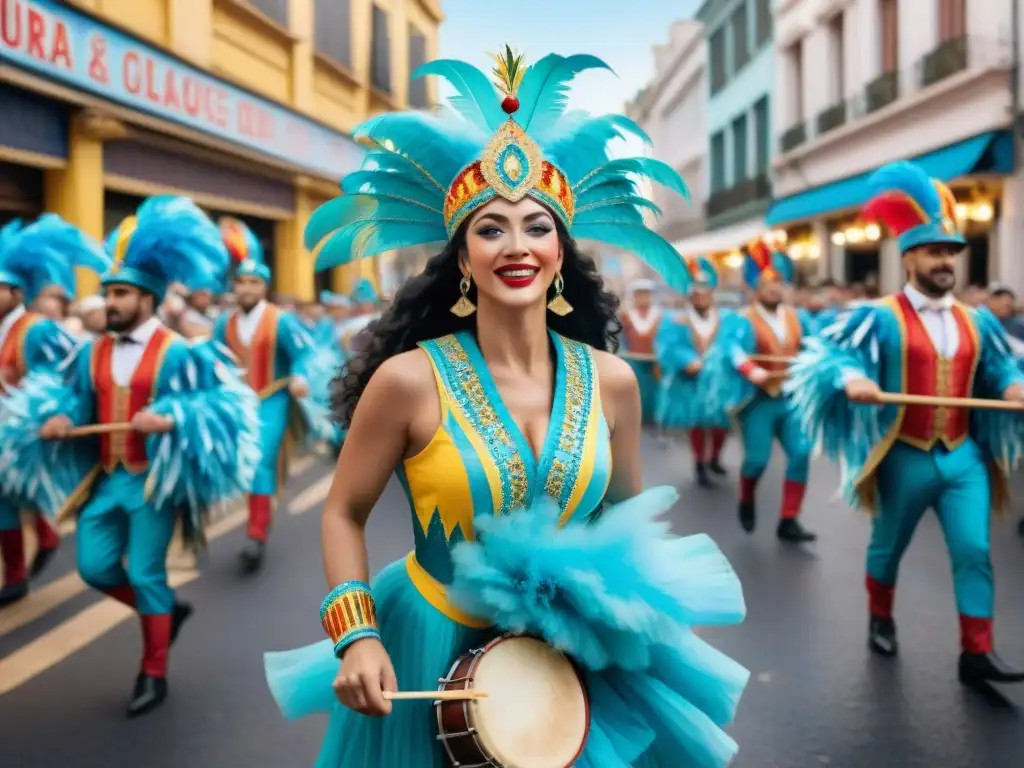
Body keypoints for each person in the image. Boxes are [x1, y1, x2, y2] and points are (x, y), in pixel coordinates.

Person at [263, 47, 748, 767]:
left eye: (537, 226)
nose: (515, 245)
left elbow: (625, 527)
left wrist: (629, 624)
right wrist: (358, 634)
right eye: (491, 228)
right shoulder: (407, 381)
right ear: (462, 260)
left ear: (560, 250)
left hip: (566, 660)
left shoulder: (613, 382)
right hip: (428, 641)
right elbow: (343, 511)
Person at [786, 161, 1024, 689]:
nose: (946, 261)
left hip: (963, 457)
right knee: (888, 548)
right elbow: (833, 353)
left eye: (952, 252)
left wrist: (1012, 386)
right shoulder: (881, 315)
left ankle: (977, 652)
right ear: (909, 255)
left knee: (974, 549)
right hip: (905, 453)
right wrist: (851, 379)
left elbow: (1001, 365)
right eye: (936, 251)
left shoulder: (976, 319)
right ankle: (881, 616)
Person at [21, 196, 260, 716]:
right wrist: (59, 416)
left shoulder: (181, 350)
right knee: (93, 568)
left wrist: (174, 414)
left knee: (148, 573)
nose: (110, 302)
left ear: (147, 299)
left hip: (154, 482)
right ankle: (164, 613)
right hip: (105, 481)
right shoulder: (90, 351)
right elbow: (72, 396)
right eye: (108, 293)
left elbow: (223, 404)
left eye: (121, 293)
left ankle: (153, 672)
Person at [0, 215, 106, 606]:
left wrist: (42, 411)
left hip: (28, 429)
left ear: (16, 292)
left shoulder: (38, 328)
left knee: (7, 499)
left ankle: (16, 574)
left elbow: (66, 374)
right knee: (7, 500)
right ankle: (36, 545)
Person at [213, 217, 316, 573]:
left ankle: (256, 536)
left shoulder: (281, 320)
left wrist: (300, 375)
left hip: (272, 399)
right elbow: (212, 358)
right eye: (240, 282)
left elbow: (304, 352)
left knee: (259, 462)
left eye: (253, 282)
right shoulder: (222, 324)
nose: (245, 288)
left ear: (265, 288)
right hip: (235, 406)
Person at [706, 241, 816, 543]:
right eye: (767, 283)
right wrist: (755, 372)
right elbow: (730, 349)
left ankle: (789, 519)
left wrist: (815, 365)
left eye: (777, 283)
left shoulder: (798, 317)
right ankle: (746, 496)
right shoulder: (742, 319)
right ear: (754, 287)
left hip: (791, 398)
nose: (773, 289)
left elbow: (815, 346)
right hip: (758, 401)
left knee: (802, 453)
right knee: (757, 459)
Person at [655, 255, 729, 487]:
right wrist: (687, 360)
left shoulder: (726, 319)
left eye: (704, 292)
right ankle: (700, 464)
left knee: (721, 425)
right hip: (691, 382)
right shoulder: (676, 320)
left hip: (719, 382)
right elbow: (667, 346)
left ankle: (715, 457)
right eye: (695, 292)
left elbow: (735, 343)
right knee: (697, 423)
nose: (700, 296)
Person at [620, 278, 663, 425]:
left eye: (646, 294)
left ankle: (655, 418)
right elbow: (621, 340)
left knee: (654, 391)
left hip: (654, 362)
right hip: (633, 360)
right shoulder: (626, 316)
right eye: (640, 294)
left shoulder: (659, 316)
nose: (643, 298)